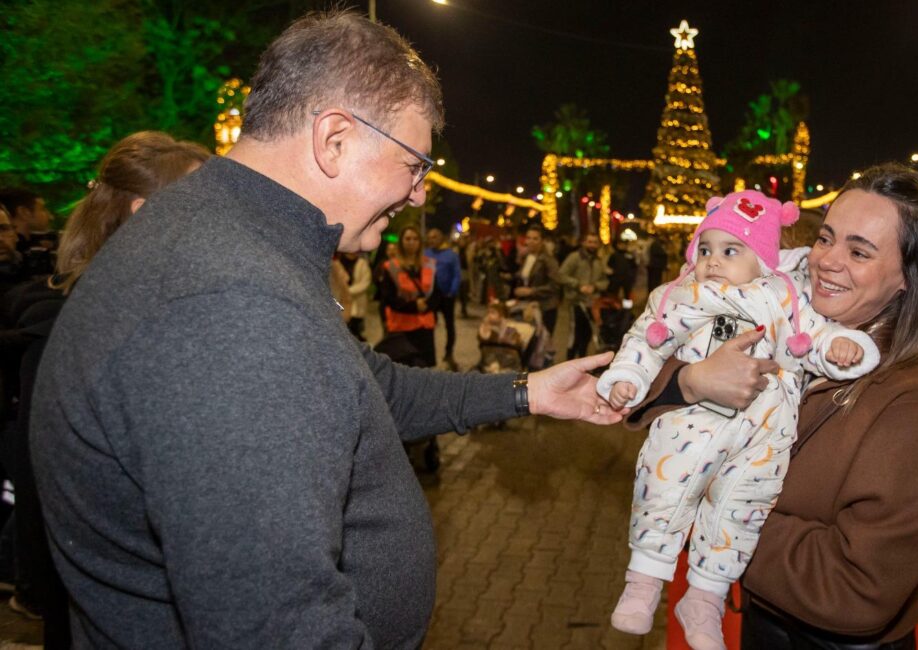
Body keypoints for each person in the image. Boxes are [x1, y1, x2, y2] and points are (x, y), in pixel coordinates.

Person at [29, 11, 620, 649]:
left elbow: (367, 392)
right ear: (334, 138)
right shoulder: (235, 307)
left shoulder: (232, 239)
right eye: (413, 163)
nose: (420, 195)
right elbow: (273, 629)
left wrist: (526, 391)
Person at [626, 163, 918, 649]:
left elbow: (858, 588)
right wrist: (694, 382)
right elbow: (648, 386)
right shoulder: (783, 317)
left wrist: (710, 505)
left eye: (859, 251)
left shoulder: (911, 412)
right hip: (765, 623)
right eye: (826, 238)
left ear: (908, 277)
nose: (827, 260)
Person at [597, 191, 879, 648]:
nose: (713, 261)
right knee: (663, 490)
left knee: (740, 510)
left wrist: (840, 348)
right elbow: (647, 339)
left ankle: (704, 598)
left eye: (732, 250)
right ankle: (644, 581)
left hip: (762, 433)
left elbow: (810, 337)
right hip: (694, 424)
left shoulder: (783, 298)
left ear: (764, 259)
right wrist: (628, 374)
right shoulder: (686, 294)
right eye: (705, 249)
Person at [1, 132, 210, 648]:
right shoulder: (81, 320)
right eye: (205, 204)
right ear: (144, 214)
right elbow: (45, 481)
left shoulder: (153, 305)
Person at [377, 226, 438, 367]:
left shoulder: (429, 264)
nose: (412, 242)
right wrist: (414, 306)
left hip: (425, 327)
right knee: (403, 370)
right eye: (408, 238)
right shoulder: (390, 267)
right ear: (401, 242)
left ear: (420, 242)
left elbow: (437, 293)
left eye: (415, 239)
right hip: (401, 327)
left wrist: (428, 306)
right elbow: (388, 298)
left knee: (424, 371)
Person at [560, 232, 609, 359]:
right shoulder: (574, 257)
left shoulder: (599, 261)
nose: (592, 245)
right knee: (574, 337)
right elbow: (561, 275)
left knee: (587, 336)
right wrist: (578, 285)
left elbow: (605, 281)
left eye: (595, 242)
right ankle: (568, 364)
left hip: (592, 304)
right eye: (589, 241)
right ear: (583, 243)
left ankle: (582, 363)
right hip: (575, 303)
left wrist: (595, 287)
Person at [512, 225, 561, 337]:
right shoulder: (526, 257)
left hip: (545, 308)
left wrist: (531, 291)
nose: (531, 241)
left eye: (535, 238)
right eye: (528, 238)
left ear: (542, 241)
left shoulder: (549, 260)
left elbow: (555, 285)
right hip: (528, 306)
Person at [424, 228, 460, 368]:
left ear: (441, 238)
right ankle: (428, 352)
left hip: (446, 295)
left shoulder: (451, 255)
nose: (432, 240)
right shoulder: (426, 253)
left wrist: (452, 291)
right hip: (431, 295)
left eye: (435, 237)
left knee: (449, 325)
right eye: (430, 237)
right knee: (428, 324)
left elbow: (457, 274)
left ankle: (449, 352)